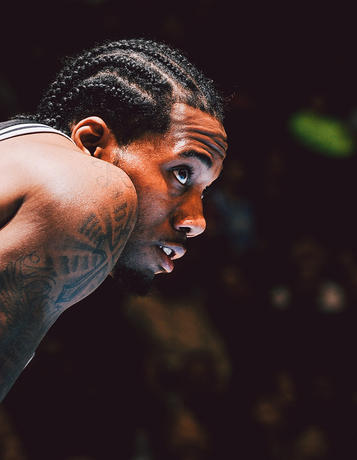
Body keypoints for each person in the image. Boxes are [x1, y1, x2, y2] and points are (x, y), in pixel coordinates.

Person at [0, 38, 228, 401]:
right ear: (93, 143)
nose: (196, 222)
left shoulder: (20, 153)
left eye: (204, 192)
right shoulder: (90, 188)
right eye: (182, 173)